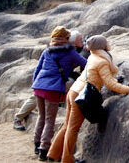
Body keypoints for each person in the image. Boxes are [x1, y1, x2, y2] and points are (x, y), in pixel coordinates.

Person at [47, 35, 129, 163]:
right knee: (73, 129)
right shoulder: (102, 60)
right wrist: (128, 89)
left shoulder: (93, 56)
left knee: (67, 126)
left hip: (74, 90)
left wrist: (115, 80)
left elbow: (101, 77)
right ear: (102, 46)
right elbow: (110, 83)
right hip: (81, 95)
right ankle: (67, 159)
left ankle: (53, 154)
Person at [13, 30, 88, 131]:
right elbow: (84, 62)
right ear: (72, 41)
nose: (82, 41)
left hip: (53, 79)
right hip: (50, 80)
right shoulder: (67, 50)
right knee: (37, 97)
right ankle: (18, 118)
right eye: (80, 39)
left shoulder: (72, 49)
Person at [32, 26, 88, 161]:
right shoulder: (70, 52)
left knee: (42, 116)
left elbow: (38, 69)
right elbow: (86, 63)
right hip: (53, 88)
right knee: (50, 120)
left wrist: (35, 84)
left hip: (39, 86)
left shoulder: (47, 50)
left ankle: (37, 143)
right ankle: (44, 149)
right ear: (66, 38)